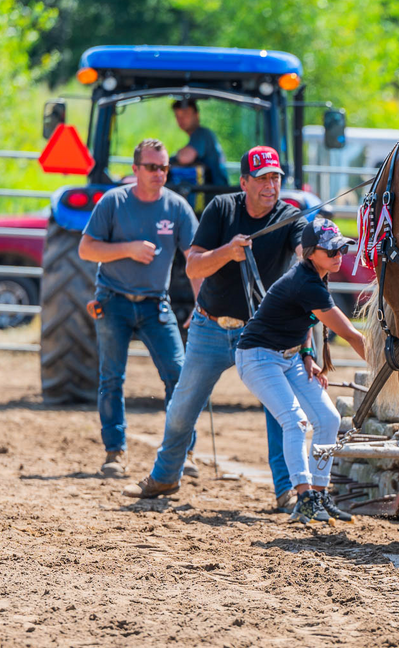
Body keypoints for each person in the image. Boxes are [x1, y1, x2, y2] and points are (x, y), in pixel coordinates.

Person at [123, 146, 304, 506]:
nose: (271, 186)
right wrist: (227, 252)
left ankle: (286, 490)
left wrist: (312, 252)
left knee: (280, 411)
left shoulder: (290, 217)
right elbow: (193, 266)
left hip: (260, 334)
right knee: (182, 407)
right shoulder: (222, 209)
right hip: (210, 327)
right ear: (244, 182)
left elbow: (304, 254)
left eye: (276, 178)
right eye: (263, 179)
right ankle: (164, 477)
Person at [79, 139, 198, 478]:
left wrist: (202, 303)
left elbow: (196, 259)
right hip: (112, 301)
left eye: (164, 167)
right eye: (152, 167)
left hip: (156, 305)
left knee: (179, 375)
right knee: (111, 378)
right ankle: (115, 452)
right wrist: (127, 249)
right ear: (135, 169)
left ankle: (183, 453)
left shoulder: (177, 207)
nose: (159, 173)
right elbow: (86, 249)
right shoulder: (113, 202)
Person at [235, 218, 367, 524]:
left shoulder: (315, 276)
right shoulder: (307, 282)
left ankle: (318, 493)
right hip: (258, 357)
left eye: (341, 249)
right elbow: (352, 336)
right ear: (310, 253)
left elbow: (305, 317)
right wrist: (388, 368)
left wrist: (307, 353)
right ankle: (305, 497)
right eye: (331, 250)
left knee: (329, 419)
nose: (338, 255)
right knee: (295, 421)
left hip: (290, 356)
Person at [171, 99, 229, 186]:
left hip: (216, 190)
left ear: (197, 115)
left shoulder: (201, 133)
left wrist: (170, 159)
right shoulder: (203, 135)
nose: (181, 119)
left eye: (185, 114)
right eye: (177, 116)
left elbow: (185, 158)